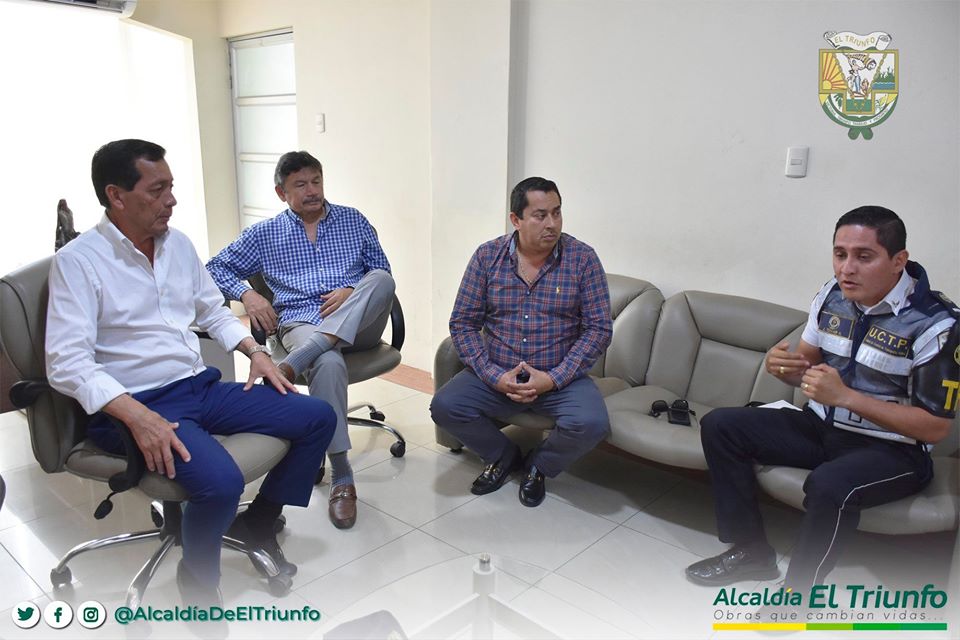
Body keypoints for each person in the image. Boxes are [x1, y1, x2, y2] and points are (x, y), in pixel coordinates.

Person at [45, 139, 337, 606]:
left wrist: (253, 351)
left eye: (171, 187)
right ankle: (198, 583)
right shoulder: (79, 262)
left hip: (198, 388)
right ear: (116, 195)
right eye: (157, 190)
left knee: (317, 416)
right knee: (221, 483)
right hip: (136, 405)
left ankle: (259, 522)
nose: (172, 200)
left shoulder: (177, 244)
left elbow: (212, 311)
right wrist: (139, 418)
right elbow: (66, 363)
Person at [686, 206, 958, 592]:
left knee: (829, 484)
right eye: (840, 254)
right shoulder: (832, 295)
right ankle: (751, 552)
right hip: (821, 426)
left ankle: (800, 594)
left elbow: (935, 427)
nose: (847, 269)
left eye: (864, 256)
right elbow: (805, 368)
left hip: (895, 450)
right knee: (721, 425)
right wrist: (781, 366)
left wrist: (847, 397)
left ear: (899, 261)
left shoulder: (937, 323)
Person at [207, 151, 394, 530]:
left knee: (381, 281)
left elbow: (381, 271)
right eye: (301, 185)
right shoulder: (264, 234)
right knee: (327, 361)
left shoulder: (353, 220)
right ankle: (342, 475)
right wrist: (247, 294)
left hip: (359, 324)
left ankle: (300, 359)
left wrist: (351, 290)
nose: (312, 191)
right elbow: (214, 268)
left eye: (316, 181)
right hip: (301, 322)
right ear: (282, 192)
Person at [430, 177, 613, 507]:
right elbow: (463, 323)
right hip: (497, 372)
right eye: (540, 215)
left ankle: (539, 466)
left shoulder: (582, 259)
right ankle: (503, 456)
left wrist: (553, 378)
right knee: (445, 406)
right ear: (516, 219)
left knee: (592, 423)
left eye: (557, 212)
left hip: (559, 378)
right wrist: (493, 375)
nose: (552, 224)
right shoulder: (487, 257)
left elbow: (598, 329)